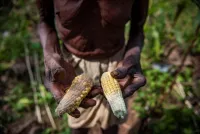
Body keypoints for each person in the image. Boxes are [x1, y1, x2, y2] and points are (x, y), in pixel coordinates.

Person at [36, 0, 148, 133]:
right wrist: (51, 55)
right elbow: (45, 21)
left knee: (111, 126)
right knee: (78, 127)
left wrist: (132, 56)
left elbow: (138, 27)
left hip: (117, 66)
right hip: (72, 67)